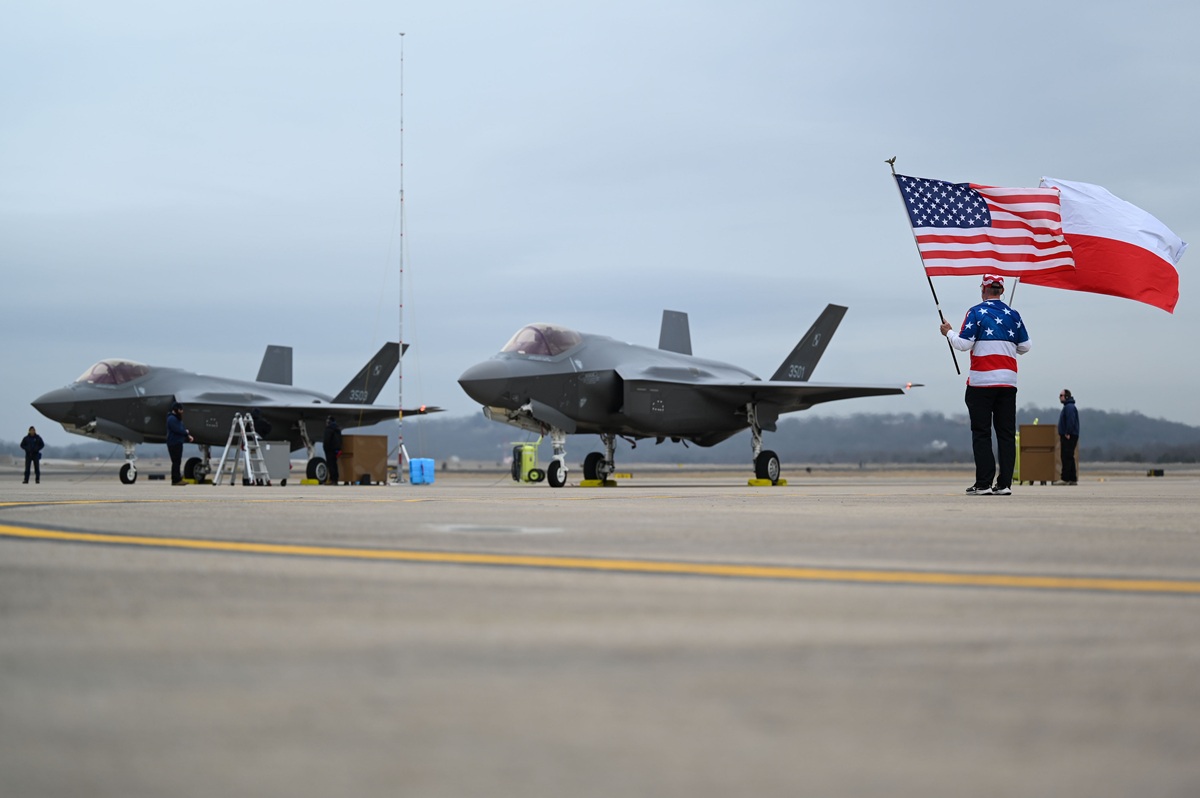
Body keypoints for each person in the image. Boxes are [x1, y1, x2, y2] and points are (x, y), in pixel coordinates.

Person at [939, 274, 1032, 496]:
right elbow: (1025, 346)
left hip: (981, 383)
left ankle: (983, 484)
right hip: (1008, 383)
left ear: (984, 290)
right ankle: (1005, 484)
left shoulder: (976, 312)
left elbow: (964, 344)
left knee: (981, 433)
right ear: (1001, 290)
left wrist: (948, 333)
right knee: (1006, 434)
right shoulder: (1013, 314)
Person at [166, 402, 194, 485]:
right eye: (180, 410)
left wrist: (187, 435)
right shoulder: (172, 419)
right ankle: (176, 480)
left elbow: (181, 429)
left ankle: (177, 478)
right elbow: (178, 430)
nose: (182, 412)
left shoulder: (177, 419)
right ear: (176, 410)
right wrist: (186, 432)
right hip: (174, 443)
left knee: (177, 461)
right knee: (176, 462)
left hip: (177, 442)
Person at [1057, 389, 1079, 485]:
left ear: (1066, 396)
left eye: (1061, 395)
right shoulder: (1068, 407)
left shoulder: (1069, 407)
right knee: (1070, 456)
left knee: (1066, 456)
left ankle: (1065, 478)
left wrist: (1067, 432)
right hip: (1070, 434)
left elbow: (1071, 420)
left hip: (1069, 435)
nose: (1060, 397)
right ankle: (1072, 478)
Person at [323, 415, 342, 485]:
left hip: (330, 450)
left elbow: (327, 440)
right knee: (334, 465)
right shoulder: (337, 429)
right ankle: (335, 479)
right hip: (336, 450)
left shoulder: (329, 429)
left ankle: (332, 480)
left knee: (331, 465)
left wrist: (326, 448)